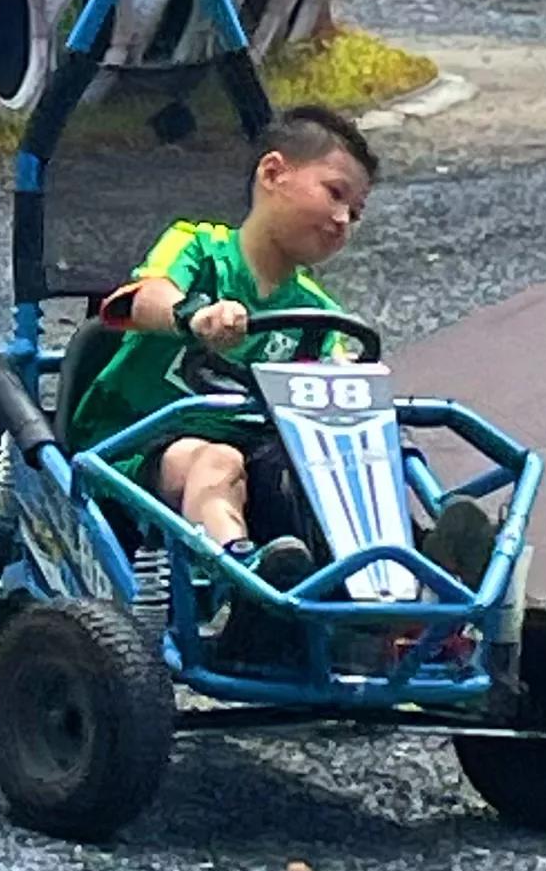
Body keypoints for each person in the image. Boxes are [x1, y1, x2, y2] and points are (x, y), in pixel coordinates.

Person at [63, 105, 377, 571]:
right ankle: (240, 579)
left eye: (355, 212)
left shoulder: (318, 312)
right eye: (335, 194)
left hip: (254, 455)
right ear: (273, 173)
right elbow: (147, 296)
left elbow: (329, 385)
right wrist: (194, 315)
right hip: (135, 441)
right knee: (217, 462)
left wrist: (347, 376)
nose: (342, 219)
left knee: (350, 459)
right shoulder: (198, 247)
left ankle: (413, 569)